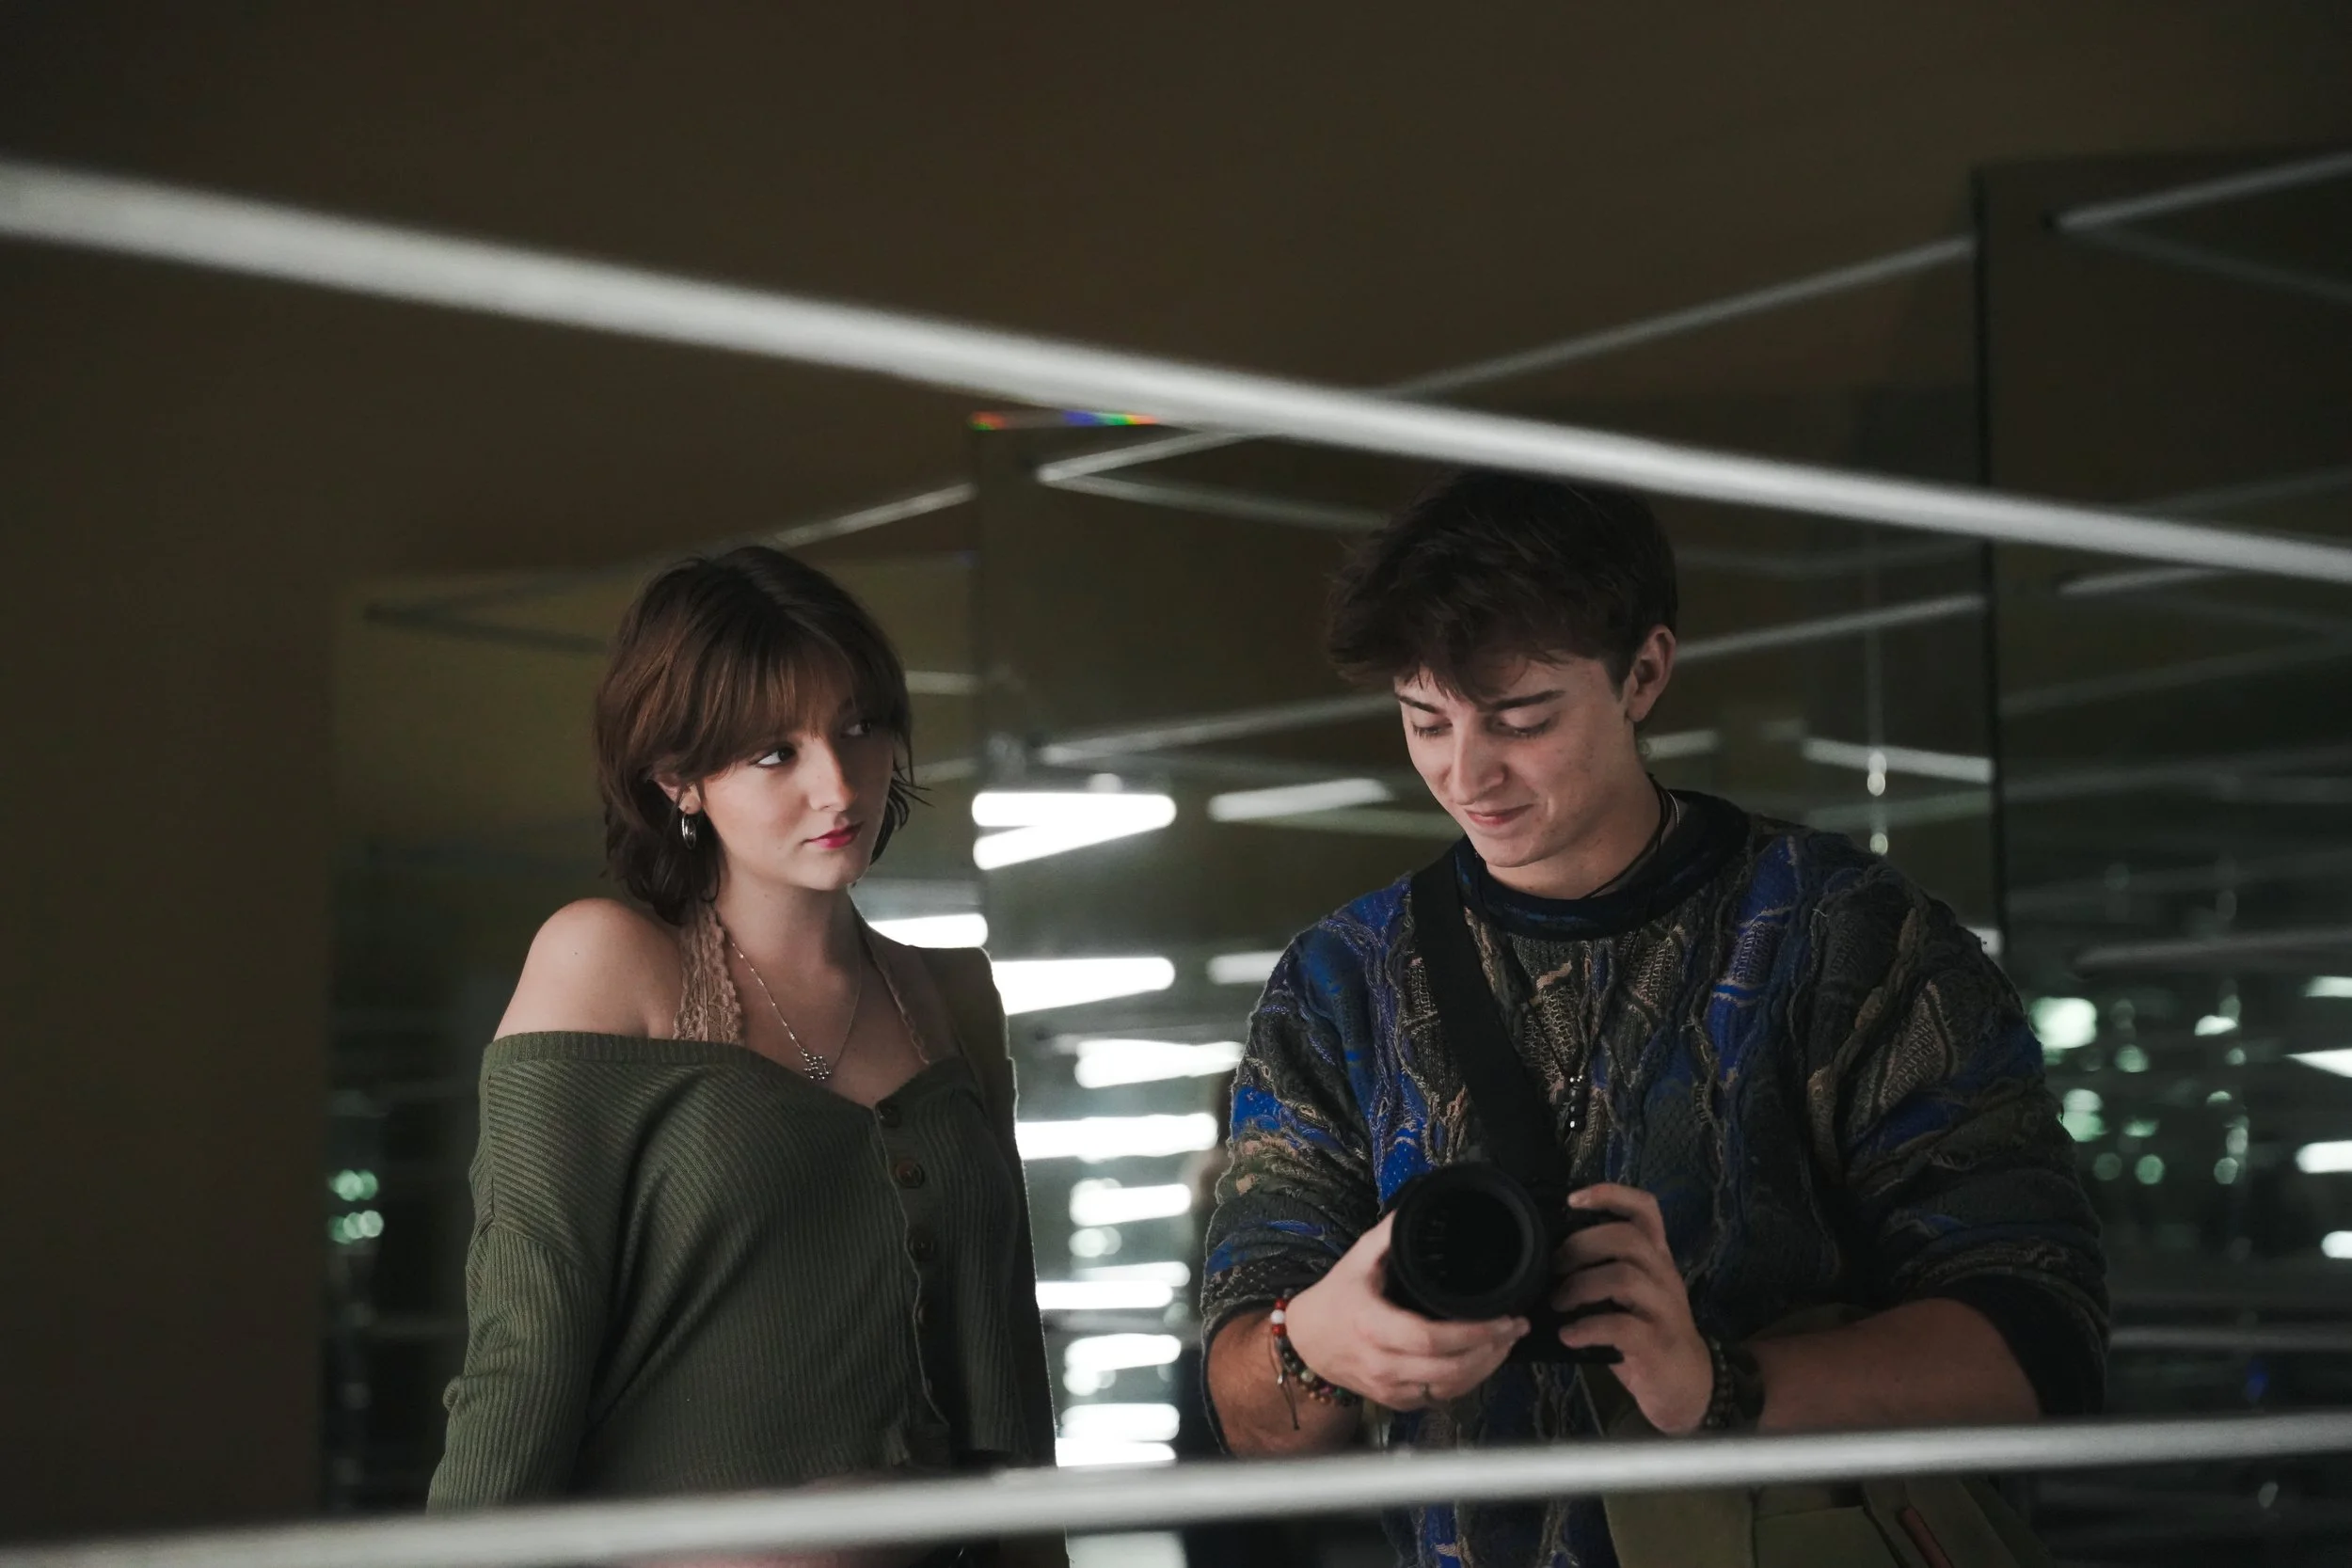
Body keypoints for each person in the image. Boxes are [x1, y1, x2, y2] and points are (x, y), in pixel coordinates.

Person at [1200, 472, 2106, 1568]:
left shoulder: (1848, 935)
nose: (1465, 770)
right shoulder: (1341, 980)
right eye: (1423, 718)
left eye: (1522, 717)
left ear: (1643, 673)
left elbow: (2042, 1333)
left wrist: (1721, 1381)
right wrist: (1317, 1345)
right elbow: (1250, 1417)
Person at [428, 546, 1058, 1568]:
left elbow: (1009, 1383)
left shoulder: (951, 996)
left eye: (859, 724)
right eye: (774, 752)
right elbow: (525, 1340)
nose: (837, 779)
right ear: (678, 778)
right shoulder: (606, 959)